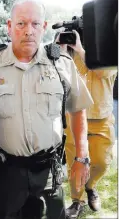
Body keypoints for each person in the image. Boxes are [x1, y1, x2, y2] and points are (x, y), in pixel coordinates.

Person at [0, 0, 93, 219]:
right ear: (9, 26)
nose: (28, 31)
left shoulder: (62, 64)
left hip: (47, 173)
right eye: (21, 24)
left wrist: (81, 157)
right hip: (4, 172)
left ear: (44, 27)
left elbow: (78, 109)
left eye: (35, 24)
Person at [55, 31, 117, 218]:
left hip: (102, 117)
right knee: (76, 161)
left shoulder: (108, 51)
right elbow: (57, 75)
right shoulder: (67, 54)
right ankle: (77, 200)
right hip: (73, 116)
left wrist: (81, 50)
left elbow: (105, 72)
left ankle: (90, 186)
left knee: (102, 162)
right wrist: (62, 50)